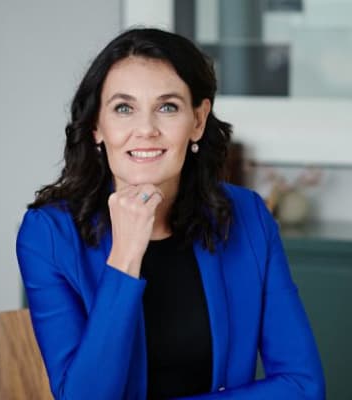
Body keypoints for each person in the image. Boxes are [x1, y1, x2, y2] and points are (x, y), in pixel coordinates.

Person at [16, 28, 325, 400]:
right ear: (97, 125)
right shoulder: (49, 235)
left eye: (167, 107)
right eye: (124, 108)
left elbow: (303, 386)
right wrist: (125, 258)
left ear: (198, 120)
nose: (146, 130)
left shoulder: (248, 217)